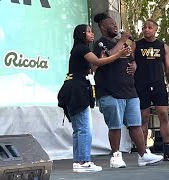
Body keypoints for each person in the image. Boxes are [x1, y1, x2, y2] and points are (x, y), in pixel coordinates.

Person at [93, 13, 163, 168]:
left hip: (130, 91)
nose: (115, 25)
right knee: (115, 125)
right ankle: (116, 156)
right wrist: (124, 39)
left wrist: (134, 65)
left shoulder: (122, 43)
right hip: (110, 91)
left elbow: (132, 59)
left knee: (135, 124)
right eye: (111, 24)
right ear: (103, 27)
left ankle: (143, 155)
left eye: (115, 23)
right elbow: (109, 55)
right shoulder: (100, 43)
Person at [57, 24, 131, 172]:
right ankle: (84, 161)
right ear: (81, 34)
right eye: (89, 32)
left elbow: (93, 67)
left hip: (76, 88)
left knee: (79, 129)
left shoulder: (80, 50)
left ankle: (79, 161)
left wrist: (103, 58)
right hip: (78, 89)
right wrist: (117, 55)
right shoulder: (81, 48)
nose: (92, 34)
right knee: (84, 128)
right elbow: (97, 62)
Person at [131, 19, 169, 161]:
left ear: (156, 29)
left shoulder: (162, 46)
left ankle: (167, 150)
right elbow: (129, 63)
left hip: (158, 85)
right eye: (144, 27)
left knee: (163, 115)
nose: (146, 30)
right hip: (141, 85)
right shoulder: (136, 45)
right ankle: (144, 151)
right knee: (143, 118)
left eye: (150, 27)